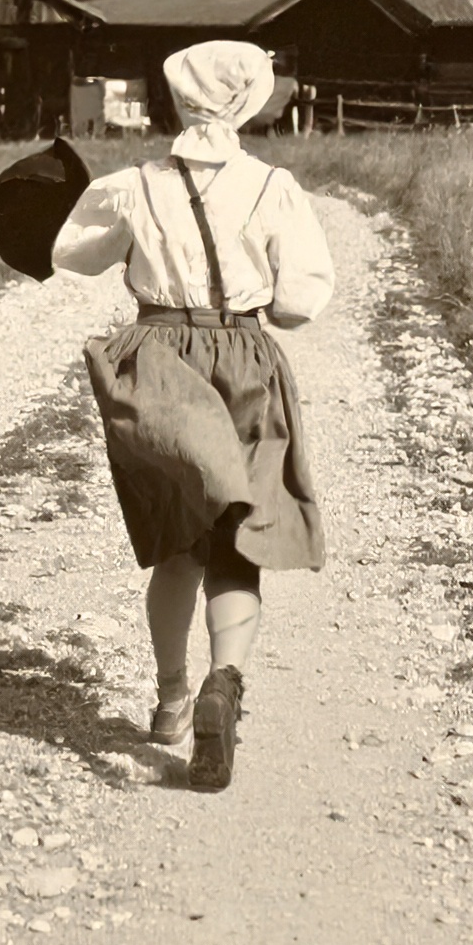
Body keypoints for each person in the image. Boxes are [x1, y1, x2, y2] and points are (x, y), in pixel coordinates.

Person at [50, 40, 335, 791]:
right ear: (247, 103)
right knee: (237, 543)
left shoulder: (133, 186)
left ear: (177, 100)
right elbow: (299, 303)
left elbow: (71, 254)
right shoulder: (274, 186)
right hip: (242, 356)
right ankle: (225, 682)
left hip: (158, 365)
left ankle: (173, 696)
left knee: (177, 540)